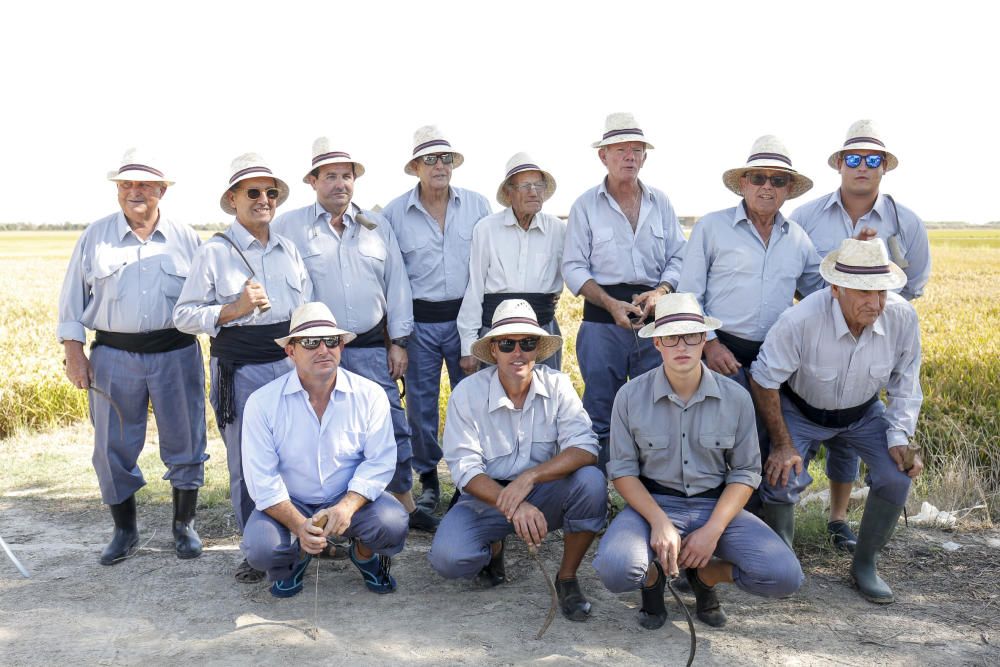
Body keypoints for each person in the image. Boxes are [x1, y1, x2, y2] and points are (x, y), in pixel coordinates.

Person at [593, 293, 802, 629]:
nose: (682, 346)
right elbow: (622, 471)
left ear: (704, 338)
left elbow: (746, 472)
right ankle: (652, 579)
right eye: (671, 337)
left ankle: (705, 576)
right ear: (657, 342)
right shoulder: (630, 397)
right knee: (616, 569)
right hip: (654, 503)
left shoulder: (736, 397)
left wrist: (713, 530)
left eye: (691, 335)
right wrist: (659, 523)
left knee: (784, 575)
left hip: (715, 504)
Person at [272, 138, 437, 534]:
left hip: (369, 347)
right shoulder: (289, 226)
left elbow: (397, 283)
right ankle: (322, 514)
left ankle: (404, 504)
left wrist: (398, 341)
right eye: (330, 176)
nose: (340, 184)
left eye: (347, 176)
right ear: (313, 181)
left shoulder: (376, 226)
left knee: (393, 427)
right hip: (318, 350)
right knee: (323, 429)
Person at [749, 238, 924, 604]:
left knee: (895, 476)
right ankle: (783, 562)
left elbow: (906, 383)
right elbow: (764, 379)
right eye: (862, 292)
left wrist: (900, 438)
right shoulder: (800, 320)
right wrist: (781, 443)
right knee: (782, 478)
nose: (874, 303)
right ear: (836, 288)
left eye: (880, 292)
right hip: (802, 410)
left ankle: (865, 564)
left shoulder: (901, 317)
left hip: (863, 412)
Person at [58, 148, 207, 565]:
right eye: (126, 184)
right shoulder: (95, 236)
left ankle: (184, 526)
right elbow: (72, 301)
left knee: (187, 439)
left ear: (162, 190)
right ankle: (124, 530)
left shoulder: (187, 238)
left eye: (144, 184)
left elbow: (208, 298)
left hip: (176, 352)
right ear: (117, 190)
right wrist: (74, 352)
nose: (135, 191)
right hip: (113, 356)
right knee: (112, 446)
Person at [792, 120, 931, 552]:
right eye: (854, 159)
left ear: (884, 168)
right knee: (811, 417)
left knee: (851, 425)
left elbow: (914, 282)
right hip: (817, 333)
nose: (863, 167)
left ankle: (838, 520)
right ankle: (775, 527)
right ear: (839, 165)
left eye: (873, 160)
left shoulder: (905, 221)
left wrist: (874, 310)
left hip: (876, 332)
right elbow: (792, 274)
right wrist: (831, 308)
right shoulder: (806, 216)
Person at [173, 153, 313, 583]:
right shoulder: (214, 252)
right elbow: (183, 315)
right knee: (248, 460)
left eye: (271, 192)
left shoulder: (289, 249)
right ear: (233, 199)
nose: (263, 199)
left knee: (295, 454)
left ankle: (301, 536)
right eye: (253, 192)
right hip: (242, 370)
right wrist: (232, 310)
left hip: (290, 367)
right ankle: (258, 547)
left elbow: (304, 305)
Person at [429, 299, 607, 621]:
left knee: (591, 482)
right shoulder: (467, 394)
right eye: (507, 343)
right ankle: (494, 548)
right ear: (493, 350)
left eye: (527, 342)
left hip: (544, 493)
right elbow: (465, 470)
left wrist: (531, 478)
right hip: (486, 497)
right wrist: (512, 503)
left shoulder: (558, 385)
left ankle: (566, 577)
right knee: (449, 558)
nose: (518, 352)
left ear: (538, 348)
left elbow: (586, 448)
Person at [677, 135, 823, 523]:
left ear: (788, 190)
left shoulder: (798, 239)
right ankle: (700, 519)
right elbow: (688, 295)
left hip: (773, 358)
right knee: (713, 439)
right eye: (759, 177)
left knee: (759, 442)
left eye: (777, 181)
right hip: (719, 351)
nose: (767, 187)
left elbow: (819, 294)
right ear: (743, 183)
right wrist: (708, 345)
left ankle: (748, 523)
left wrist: (859, 266)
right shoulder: (711, 227)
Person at [241, 302, 408, 597]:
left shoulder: (370, 395)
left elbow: (380, 462)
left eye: (331, 340)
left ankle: (364, 554)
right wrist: (299, 524)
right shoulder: (262, 402)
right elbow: (261, 479)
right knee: (260, 547)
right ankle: (296, 557)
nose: (323, 349)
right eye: (309, 342)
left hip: (349, 499)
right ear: (290, 351)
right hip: (293, 501)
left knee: (392, 522)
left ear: (341, 346)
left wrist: (346, 506)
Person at [562, 112, 686, 470]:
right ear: (604, 156)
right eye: (621, 150)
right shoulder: (585, 205)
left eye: (637, 150)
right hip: (603, 323)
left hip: (654, 322)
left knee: (658, 408)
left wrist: (661, 290)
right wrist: (609, 302)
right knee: (599, 412)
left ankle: (653, 497)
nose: (630, 156)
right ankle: (595, 497)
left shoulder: (660, 202)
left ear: (645, 157)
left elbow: (678, 255)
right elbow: (573, 267)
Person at [382, 125, 491, 513]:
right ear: (415, 167)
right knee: (422, 407)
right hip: (419, 324)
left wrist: (478, 334)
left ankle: (470, 479)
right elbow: (391, 278)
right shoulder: (394, 213)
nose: (439, 165)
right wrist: (396, 337)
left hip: (467, 320)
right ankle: (428, 479)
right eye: (430, 159)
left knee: (473, 402)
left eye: (445, 158)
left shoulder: (478, 206)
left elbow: (486, 271)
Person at [457, 152, 565, 375]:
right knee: (495, 402)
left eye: (538, 184)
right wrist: (468, 344)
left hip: (542, 331)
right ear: (509, 191)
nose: (533, 191)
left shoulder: (559, 229)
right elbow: (475, 287)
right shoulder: (486, 229)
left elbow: (574, 273)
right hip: (496, 333)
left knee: (546, 398)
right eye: (525, 185)